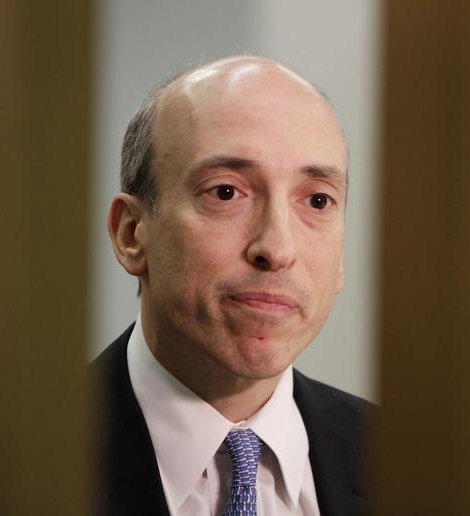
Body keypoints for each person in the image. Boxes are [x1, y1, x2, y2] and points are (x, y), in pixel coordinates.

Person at [93, 56, 375, 516]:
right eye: (226, 192)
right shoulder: (9, 463)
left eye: (318, 200)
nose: (277, 248)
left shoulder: (416, 468)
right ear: (132, 234)